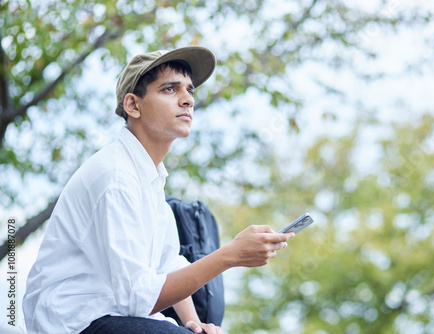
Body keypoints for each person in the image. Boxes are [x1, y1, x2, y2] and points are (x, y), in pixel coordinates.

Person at [22, 46, 294, 334]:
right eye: (170, 89)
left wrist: (194, 323)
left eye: (190, 90)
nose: (188, 99)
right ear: (133, 105)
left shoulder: (149, 178)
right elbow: (136, 299)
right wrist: (229, 255)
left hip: (113, 317)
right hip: (74, 322)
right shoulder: (115, 176)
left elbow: (168, 263)